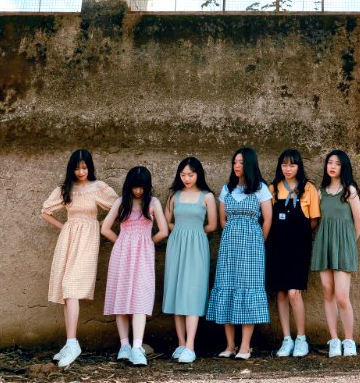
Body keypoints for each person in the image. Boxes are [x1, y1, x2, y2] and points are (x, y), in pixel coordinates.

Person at [40, 149, 117, 368]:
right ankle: (70, 342)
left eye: (84, 167)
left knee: (72, 287)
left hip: (87, 240)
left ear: (90, 167)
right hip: (68, 238)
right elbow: (45, 211)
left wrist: (100, 225)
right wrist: (63, 226)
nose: (81, 171)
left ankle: (73, 343)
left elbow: (118, 206)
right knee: (66, 290)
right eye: (77, 167)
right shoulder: (65, 189)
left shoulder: (98, 188)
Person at [206, 147, 272, 359]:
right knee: (227, 288)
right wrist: (233, 237)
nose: (237, 166)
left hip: (252, 248)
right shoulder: (227, 189)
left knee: (248, 290)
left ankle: (245, 346)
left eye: (241, 162)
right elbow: (223, 219)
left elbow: (268, 219)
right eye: (235, 162)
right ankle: (229, 345)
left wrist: (257, 243)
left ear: (250, 164)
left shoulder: (260, 188)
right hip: (229, 248)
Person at [101, 166, 168, 366]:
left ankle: (137, 346)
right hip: (121, 255)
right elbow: (105, 228)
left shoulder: (154, 203)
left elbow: (163, 231)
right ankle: (124, 346)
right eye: (135, 187)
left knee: (140, 298)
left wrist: (147, 243)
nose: (138, 191)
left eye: (142, 187)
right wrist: (122, 242)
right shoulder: (121, 202)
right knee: (121, 299)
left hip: (143, 257)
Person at [162, 157, 217, 363]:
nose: (186, 178)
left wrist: (193, 233)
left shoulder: (207, 197)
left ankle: (191, 346)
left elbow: (212, 225)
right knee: (176, 291)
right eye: (183, 174)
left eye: (191, 174)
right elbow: (166, 221)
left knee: (192, 292)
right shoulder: (173, 195)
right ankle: (181, 343)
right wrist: (178, 232)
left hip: (197, 246)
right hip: (176, 245)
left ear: (198, 175)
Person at [267, 149, 320, 358]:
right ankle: (286, 339)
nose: (288, 169)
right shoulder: (273, 189)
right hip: (277, 245)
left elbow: (314, 220)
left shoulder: (309, 189)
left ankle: (301, 338)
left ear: (299, 167)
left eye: (292, 165)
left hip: (299, 247)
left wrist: (299, 234)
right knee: (280, 292)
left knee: (293, 292)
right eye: (284, 165)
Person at [310, 149, 360, 357]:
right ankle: (334, 340)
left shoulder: (349, 190)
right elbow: (315, 218)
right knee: (327, 292)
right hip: (324, 244)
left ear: (344, 167)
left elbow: (359, 222)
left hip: (343, 247)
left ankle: (349, 340)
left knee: (342, 296)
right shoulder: (320, 191)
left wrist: (349, 243)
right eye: (329, 162)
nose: (332, 166)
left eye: (337, 163)